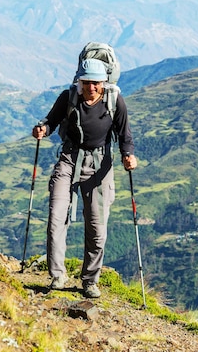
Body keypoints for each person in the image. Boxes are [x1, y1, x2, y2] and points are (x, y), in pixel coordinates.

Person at [32, 57, 137, 298]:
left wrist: (128, 156)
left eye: (96, 83)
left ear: (104, 83)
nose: (91, 88)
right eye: (87, 82)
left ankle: (90, 280)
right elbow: (51, 122)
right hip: (68, 160)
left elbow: (125, 135)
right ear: (79, 81)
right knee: (56, 219)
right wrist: (41, 130)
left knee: (97, 226)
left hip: (100, 165)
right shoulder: (68, 97)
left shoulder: (115, 101)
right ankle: (57, 276)